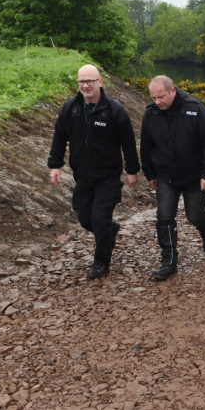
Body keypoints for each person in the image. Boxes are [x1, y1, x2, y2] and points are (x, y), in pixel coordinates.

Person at [47, 64, 140, 280]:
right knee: (85, 219)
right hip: (83, 175)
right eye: (82, 81)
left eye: (90, 81)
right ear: (78, 84)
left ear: (100, 82)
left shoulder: (114, 110)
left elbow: (128, 142)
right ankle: (109, 229)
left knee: (99, 219)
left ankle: (101, 263)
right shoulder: (71, 108)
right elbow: (59, 137)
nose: (86, 85)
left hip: (108, 176)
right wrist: (55, 165)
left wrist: (132, 170)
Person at [140, 75, 205, 281]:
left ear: (173, 91)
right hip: (166, 175)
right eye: (153, 98)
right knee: (164, 217)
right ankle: (169, 260)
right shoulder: (151, 114)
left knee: (194, 215)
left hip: (194, 176)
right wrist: (149, 173)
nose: (157, 102)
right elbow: (146, 147)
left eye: (161, 97)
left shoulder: (195, 109)